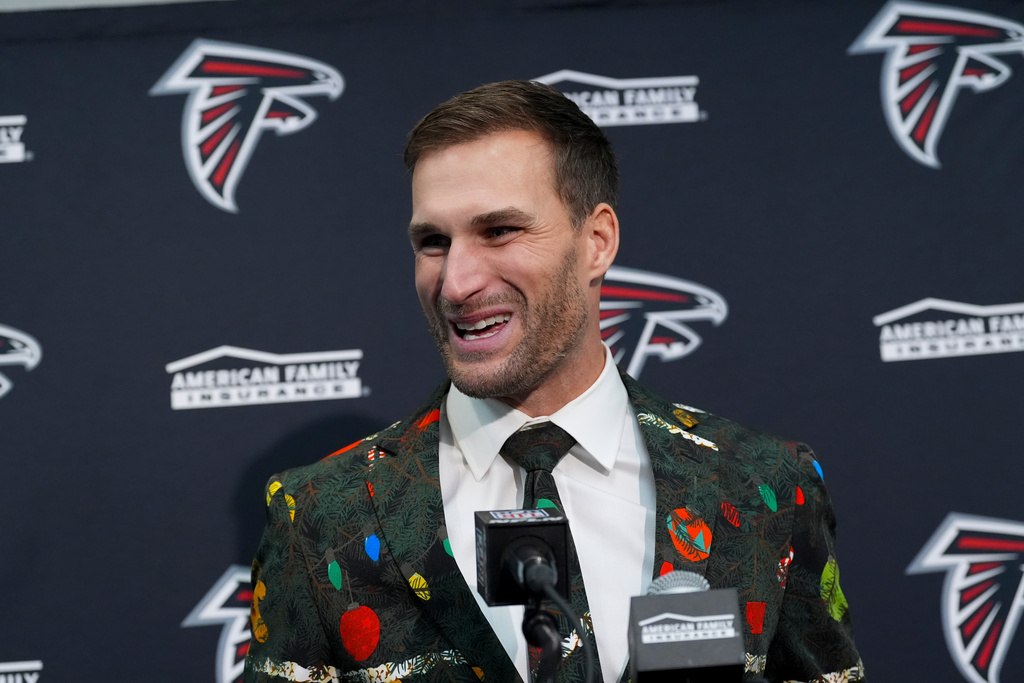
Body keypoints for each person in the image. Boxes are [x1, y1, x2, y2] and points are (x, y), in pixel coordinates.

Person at [243, 80, 863, 683]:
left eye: (499, 231)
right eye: (433, 241)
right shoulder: (321, 515)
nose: (455, 284)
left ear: (596, 242)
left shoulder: (764, 488)